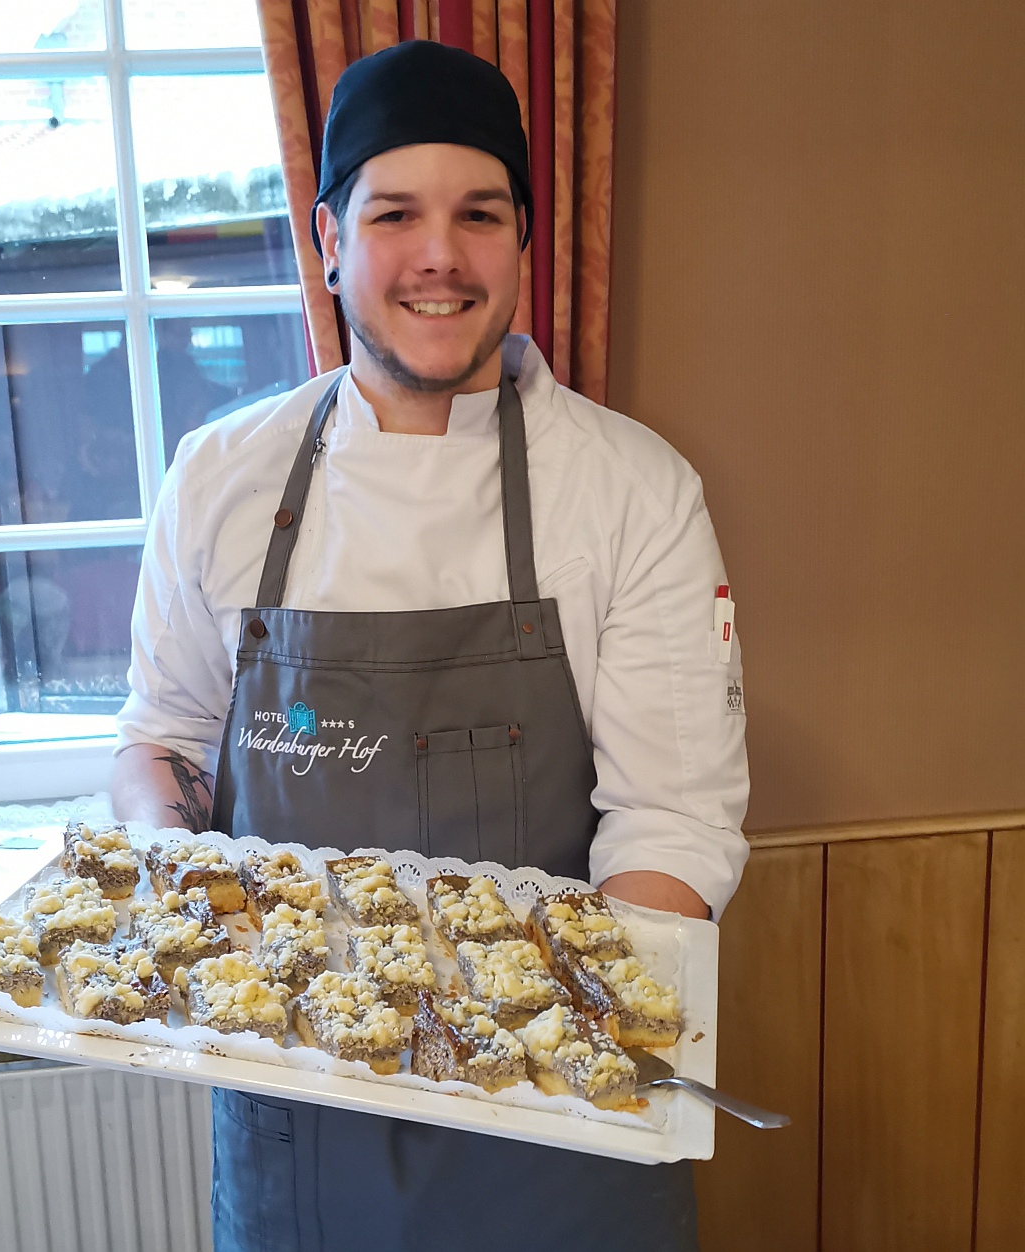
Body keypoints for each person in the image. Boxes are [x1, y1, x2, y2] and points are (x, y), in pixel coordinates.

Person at [112, 39, 748, 1252]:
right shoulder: (222, 477)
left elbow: (674, 818)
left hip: (559, 1128)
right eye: (394, 212)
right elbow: (164, 742)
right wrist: (175, 879)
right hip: (298, 1118)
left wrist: (535, 1030)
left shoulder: (628, 489)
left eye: (479, 213)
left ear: (521, 241)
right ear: (328, 239)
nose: (439, 255)